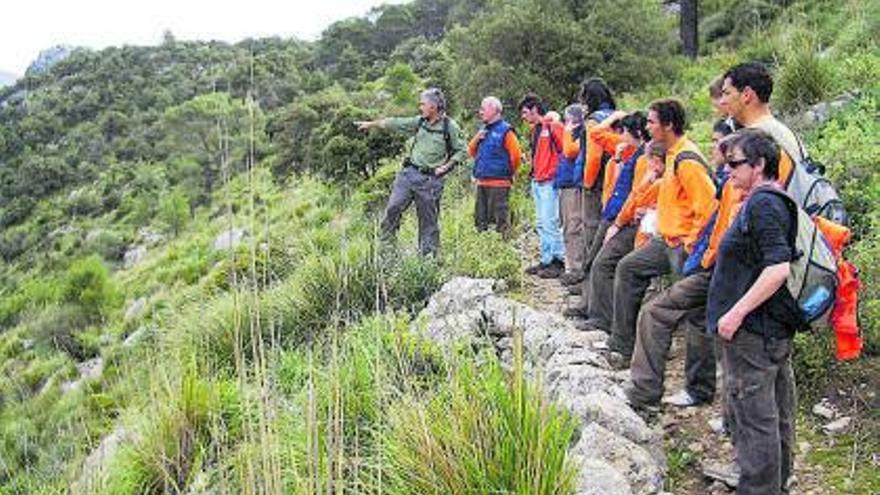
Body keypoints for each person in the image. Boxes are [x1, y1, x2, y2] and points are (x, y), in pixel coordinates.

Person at [708, 129, 800, 495]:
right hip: (769, 330)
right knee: (776, 413)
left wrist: (734, 314)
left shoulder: (763, 205)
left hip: (754, 333)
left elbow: (778, 268)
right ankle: (775, 485)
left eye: (735, 163)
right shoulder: (773, 200)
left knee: (755, 418)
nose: (728, 170)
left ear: (759, 164)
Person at [626, 119, 739, 411]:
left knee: (659, 313)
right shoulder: (722, 178)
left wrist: (693, 249)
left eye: (720, 145)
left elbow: (710, 216)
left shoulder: (692, 164)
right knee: (696, 320)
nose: (716, 151)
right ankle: (698, 391)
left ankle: (645, 393)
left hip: (704, 262)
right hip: (701, 260)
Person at [605, 99, 717, 365]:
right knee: (628, 268)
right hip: (664, 240)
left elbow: (709, 206)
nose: (647, 127)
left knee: (689, 309)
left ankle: (696, 378)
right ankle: (621, 345)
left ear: (668, 125)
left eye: (652, 122)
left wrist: (690, 243)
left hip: (681, 245)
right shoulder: (671, 156)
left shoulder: (687, 160)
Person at [355, 88, 467, 256]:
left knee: (428, 223)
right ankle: (386, 251)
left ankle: (428, 260)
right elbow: (396, 123)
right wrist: (371, 124)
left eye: (422, 104)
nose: (420, 107)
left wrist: (446, 167)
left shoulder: (449, 126)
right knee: (393, 208)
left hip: (430, 181)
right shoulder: (420, 121)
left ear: (433, 106)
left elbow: (462, 151)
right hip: (408, 175)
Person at [565, 110, 649, 318]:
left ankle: (601, 315)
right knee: (594, 259)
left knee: (600, 262)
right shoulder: (629, 152)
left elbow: (594, 134)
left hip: (621, 217)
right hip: (612, 211)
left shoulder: (644, 157)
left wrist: (619, 223)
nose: (621, 135)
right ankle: (590, 306)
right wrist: (617, 160)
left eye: (625, 131)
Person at [720, 62, 799, 181]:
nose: (722, 101)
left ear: (747, 95)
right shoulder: (779, 131)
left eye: (727, 93)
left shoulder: (756, 139)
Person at [520, 94, 566, 278]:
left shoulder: (553, 126)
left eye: (525, 112)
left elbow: (566, 150)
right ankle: (546, 259)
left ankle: (558, 260)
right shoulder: (536, 130)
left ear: (534, 110)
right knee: (541, 222)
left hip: (549, 180)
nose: (523, 117)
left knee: (550, 222)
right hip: (538, 180)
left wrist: (555, 173)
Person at [577, 78, 618, 270]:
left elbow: (593, 156)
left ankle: (589, 276)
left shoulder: (594, 120)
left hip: (597, 181)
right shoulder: (615, 115)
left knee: (591, 227)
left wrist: (587, 183)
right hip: (615, 176)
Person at [468, 96, 522, 235]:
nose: (480, 112)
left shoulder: (506, 131)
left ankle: (503, 250)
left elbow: (516, 156)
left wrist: (509, 172)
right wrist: (476, 138)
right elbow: (471, 151)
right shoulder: (483, 131)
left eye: (483, 108)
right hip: (481, 182)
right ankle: (484, 250)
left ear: (494, 110)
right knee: (480, 220)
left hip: (499, 184)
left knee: (501, 221)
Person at [555, 104, 587, 282]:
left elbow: (569, 151)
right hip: (566, 183)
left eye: (567, 119)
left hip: (573, 185)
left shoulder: (579, 134)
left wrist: (567, 131)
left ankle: (575, 268)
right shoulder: (576, 133)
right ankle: (571, 265)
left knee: (573, 225)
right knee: (567, 225)